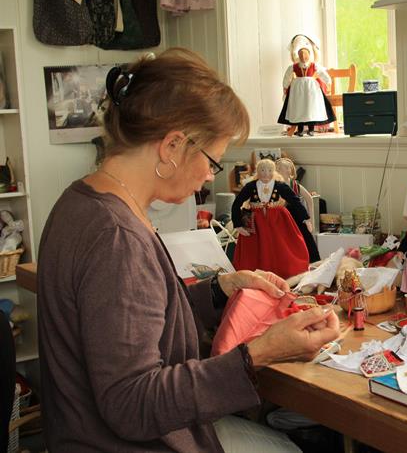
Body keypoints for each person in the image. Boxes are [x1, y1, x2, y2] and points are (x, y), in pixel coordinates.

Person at [37, 48, 340, 453]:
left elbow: (131, 318)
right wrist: (258, 354)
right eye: (213, 161)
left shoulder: (82, 201)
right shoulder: (117, 237)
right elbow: (132, 404)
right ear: (173, 146)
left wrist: (221, 289)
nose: (209, 176)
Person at [231, 159, 311, 278]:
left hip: (277, 220)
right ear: (257, 171)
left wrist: (306, 218)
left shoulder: (280, 185)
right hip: (256, 222)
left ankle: (283, 271)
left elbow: (295, 201)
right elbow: (237, 203)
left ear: (274, 171)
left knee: (281, 246)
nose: (266, 173)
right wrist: (238, 224)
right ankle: (255, 275)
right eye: (262, 170)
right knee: (255, 250)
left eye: (269, 170)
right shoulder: (251, 186)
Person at [277, 34, 336, 137]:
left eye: (305, 56)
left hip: (311, 89)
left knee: (311, 107)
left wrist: (328, 82)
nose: (303, 58)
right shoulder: (294, 66)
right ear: (298, 56)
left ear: (309, 55)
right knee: (299, 107)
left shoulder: (314, 65)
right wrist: (285, 86)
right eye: (301, 56)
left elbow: (322, 73)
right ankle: (300, 130)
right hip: (297, 90)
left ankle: (311, 129)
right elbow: (287, 76)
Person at [275, 157, 320, 262]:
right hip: (282, 218)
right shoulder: (275, 185)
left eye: (289, 168)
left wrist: (311, 219)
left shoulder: (295, 185)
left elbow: (309, 199)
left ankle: (313, 262)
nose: (288, 170)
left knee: (307, 241)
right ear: (278, 170)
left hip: (298, 217)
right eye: (285, 168)